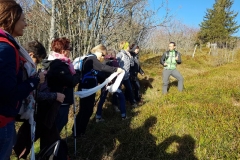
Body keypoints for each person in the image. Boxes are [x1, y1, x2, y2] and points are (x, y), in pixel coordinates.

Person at [0, 1, 41, 159]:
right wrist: (34, 82)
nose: (26, 24)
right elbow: (9, 92)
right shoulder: (6, 48)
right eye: (23, 20)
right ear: (11, 19)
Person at [13, 40, 66, 159]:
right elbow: (29, 93)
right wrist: (54, 95)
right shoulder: (21, 68)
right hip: (14, 111)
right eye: (37, 61)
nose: (37, 64)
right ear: (31, 55)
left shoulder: (24, 66)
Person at [74, 44, 123, 136]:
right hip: (86, 89)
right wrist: (116, 69)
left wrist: (104, 81)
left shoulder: (91, 60)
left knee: (84, 110)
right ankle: (80, 132)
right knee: (87, 111)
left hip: (89, 88)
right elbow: (102, 67)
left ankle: (76, 130)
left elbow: (96, 74)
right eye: (103, 54)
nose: (103, 57)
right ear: (99, 51)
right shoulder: (92, 59)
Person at [46, 37, 80, 133]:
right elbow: (70, 81)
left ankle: (54, 145)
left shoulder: (61, 63)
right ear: (63, 51)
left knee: (57, 125)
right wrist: (77, 75)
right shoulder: (58, 64)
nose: (70, 51)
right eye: (69, 49)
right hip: (60, 101)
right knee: (56, 126)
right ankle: (52, 146)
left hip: (60, 99)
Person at [95, 49, 127, 122]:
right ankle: (124, 116)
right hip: (113, 85)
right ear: (113, 55)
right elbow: (119, 73)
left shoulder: (102, 62)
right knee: (122, 98)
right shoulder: (114, 62)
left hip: (104, 84)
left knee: (102, 99)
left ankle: (98, 116)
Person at [116, 41, 137, 107]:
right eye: (128, 46)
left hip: (126, 76)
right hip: (120, 76)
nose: (129, 47)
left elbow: (132, 64)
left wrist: (130, 57)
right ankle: (115, 105)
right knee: (117, 91)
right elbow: (116, 64)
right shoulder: (120, 54)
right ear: (125, 47)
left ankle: (132, 103)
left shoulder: (128, 54)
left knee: (130, 89)